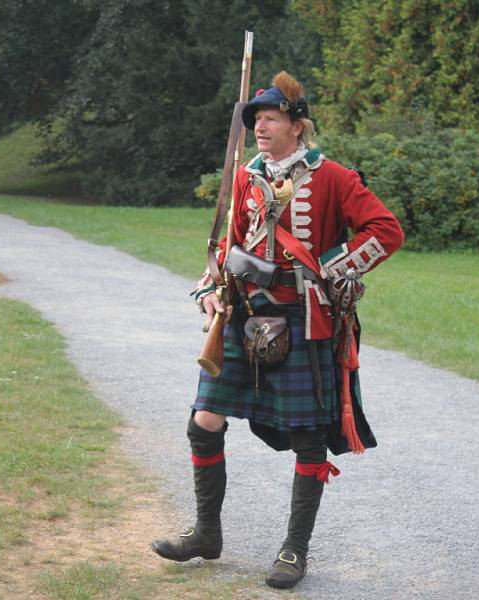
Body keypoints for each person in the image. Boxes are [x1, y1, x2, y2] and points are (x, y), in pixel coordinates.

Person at [151, 71, 404, 589]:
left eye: (268, 119)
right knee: (204, 419)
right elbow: (231, 242)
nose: (259, 128)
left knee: (309, 437)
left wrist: (334, 271)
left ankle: (293, 552)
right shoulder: (247, 176)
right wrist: (212, 286)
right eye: (255, 120)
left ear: (297, 124)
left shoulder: (333, 177)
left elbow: (386, 231)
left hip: (305, 318)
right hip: (244, 312)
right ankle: (206, 534)